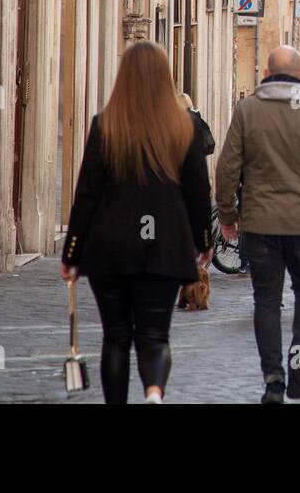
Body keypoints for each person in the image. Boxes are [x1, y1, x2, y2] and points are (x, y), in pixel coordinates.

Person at [60, 41, 212, 405]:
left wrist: (72, 252)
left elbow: (87, 195)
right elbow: (198, 191)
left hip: (110, 246)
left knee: (116, 336)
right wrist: (203, 238)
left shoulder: (105, 125)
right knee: (155, 335)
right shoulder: (186, 127)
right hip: (164, 246)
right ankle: (154, 394)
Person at [214, 46, 300, 403]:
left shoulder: (247, 110)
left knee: (266, 299)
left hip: (260, 222)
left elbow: (227, 168)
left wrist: (227, 216)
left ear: (264, 73)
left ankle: (273, 377)